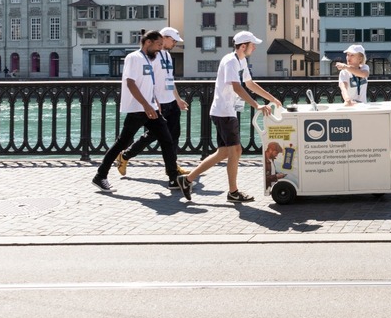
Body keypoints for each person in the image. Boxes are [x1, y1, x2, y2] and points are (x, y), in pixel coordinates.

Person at [177, 30, 281, 203]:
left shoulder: (241, 60)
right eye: (252, 44)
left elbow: (249, 84)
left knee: (226, 152)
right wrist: (256, 105)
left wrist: (272, 99)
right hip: (224, 112)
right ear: (242, 46)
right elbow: (237, 87)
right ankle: (233, 192)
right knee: (234, 151)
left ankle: (187, 180)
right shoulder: (230, 61)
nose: (254, 47)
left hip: (227, 111)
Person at [92, 31, 181, 192]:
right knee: (122, 142)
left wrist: (155, 101)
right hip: (137, 109)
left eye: (162, 45)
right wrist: (146, 105)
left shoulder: (149, 59)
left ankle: (173, 178)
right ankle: (100, 176)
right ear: (148, 42)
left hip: (151, 108)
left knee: (167, 140)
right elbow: (130, 83)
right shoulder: (133, 58)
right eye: (158, 45)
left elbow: (150, 83)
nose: (160, 49)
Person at [116, 27, 190, 177]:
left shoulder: (168, 56)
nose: (174, 43)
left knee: (174, 136)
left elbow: (170, 79)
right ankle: (125, 156)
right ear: (164, 38)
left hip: (171, 101)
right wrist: (155, 102)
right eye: (173, 40)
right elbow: (151, 81)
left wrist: (178, 99)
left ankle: (173, 166)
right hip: (159, 103)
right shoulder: (153, 56)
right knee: (152, 135)